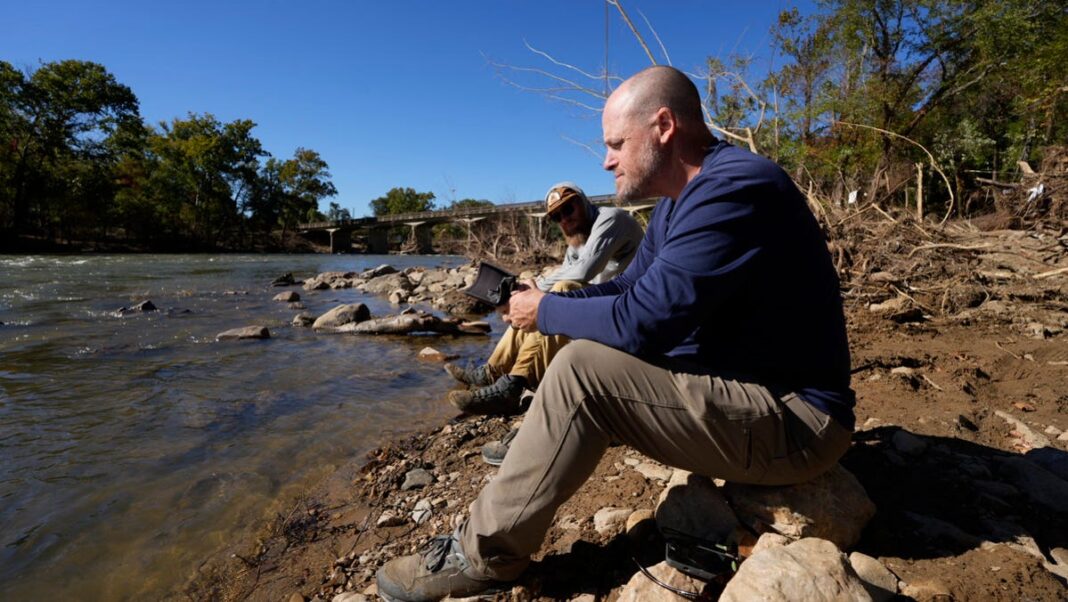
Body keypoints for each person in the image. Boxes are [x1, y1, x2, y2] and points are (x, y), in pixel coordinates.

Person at [376, 65, 855, 602]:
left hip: (798, 422)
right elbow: (626, 288)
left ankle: (485, 554)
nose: (606, 161)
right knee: (578, 341)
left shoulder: (736, 186)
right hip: (749, 393)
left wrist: (547, 314)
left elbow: (640, 321)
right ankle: (534, 440)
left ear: (664, 126)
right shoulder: (679, 203)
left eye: (615, 144)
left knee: (583, 371)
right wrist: (549, 303)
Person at [444, 181, 643, 416]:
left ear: (585, 202)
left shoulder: (610, 219)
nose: (564, 219)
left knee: (561, 290)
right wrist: (524, 290)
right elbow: (566, 271)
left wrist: (534, 290)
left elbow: (582, 273)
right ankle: (492, 372)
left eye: (569, 209)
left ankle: (514, 384)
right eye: (557, 216)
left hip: (630, 306)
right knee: (543, 295)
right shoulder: (577, 240)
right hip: (602, 302)